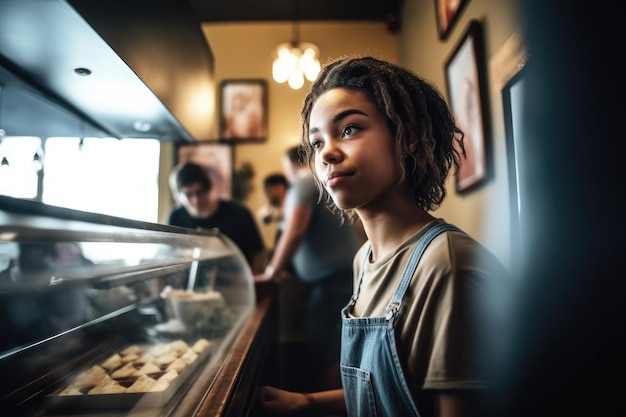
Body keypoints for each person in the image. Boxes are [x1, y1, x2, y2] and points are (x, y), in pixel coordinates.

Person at [257, 56, 509, 417]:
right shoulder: (364, 260)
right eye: (316, 143)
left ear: (408, 137)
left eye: (349, 129)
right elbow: (388, 389)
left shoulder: (449, 265)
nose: (326, 152)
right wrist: (306, 402)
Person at [255, 144, 361, 392]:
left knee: (327, 350)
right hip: (337, 278)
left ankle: (330, 409)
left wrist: (271, 271)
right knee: (335, 346)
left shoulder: (303, 183)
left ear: (291, 164)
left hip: (329, 282)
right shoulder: (317, 183)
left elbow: (295, 231)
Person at [168, 161, 266, 274]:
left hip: (235, 282)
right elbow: (170, 255)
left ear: (208, 188)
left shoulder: (238, 213)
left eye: (200, 192)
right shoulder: (175, 217)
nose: (196, 200)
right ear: (178, 195)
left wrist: (252, 282)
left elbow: (259, 253)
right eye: (189, 194)